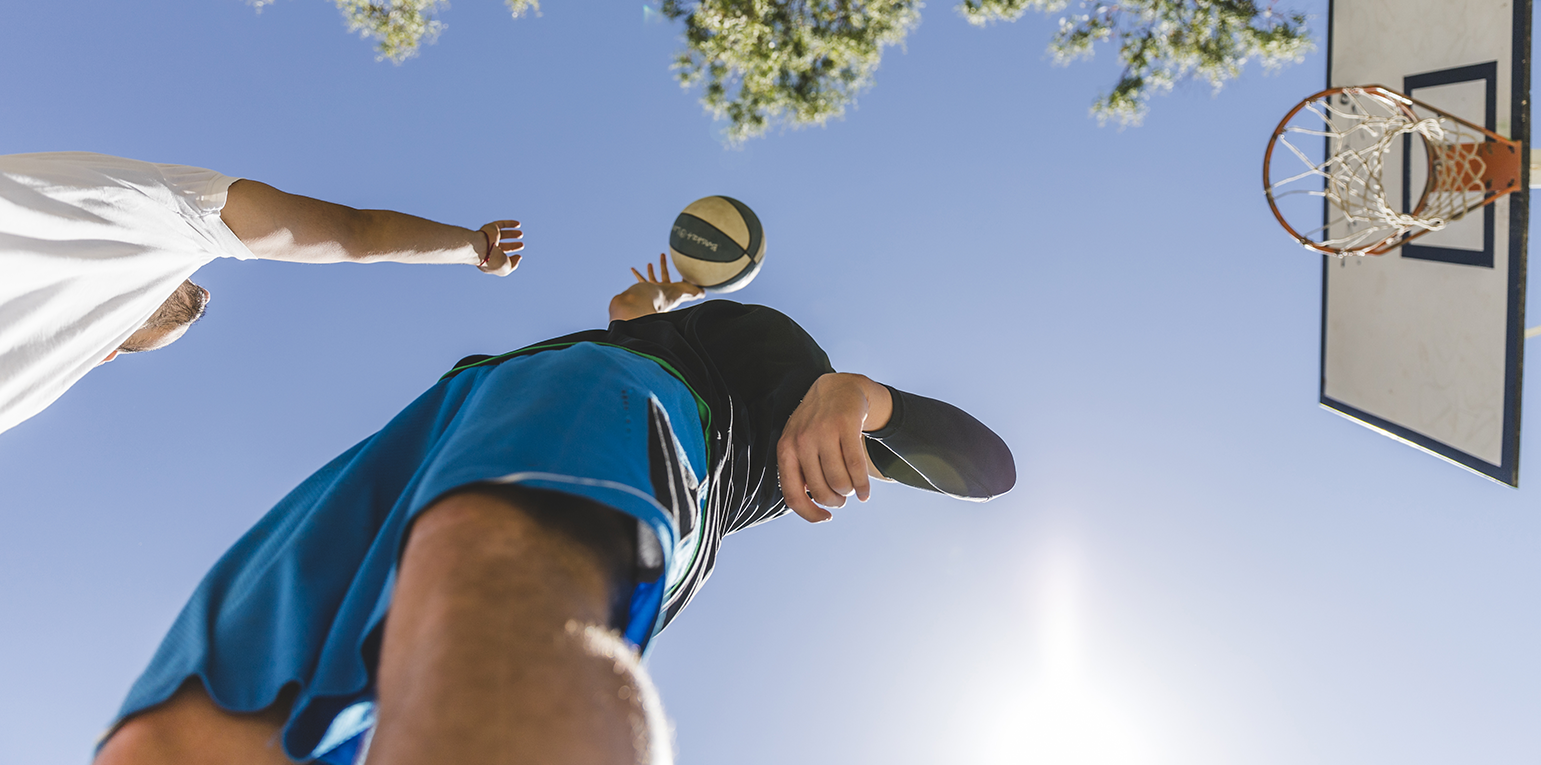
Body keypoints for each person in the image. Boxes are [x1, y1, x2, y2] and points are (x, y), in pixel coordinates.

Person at [94, 256, 1015, 765]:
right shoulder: (654, 326)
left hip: (625, 408)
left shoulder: (793, 423)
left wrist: (864, 396)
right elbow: (631, 313)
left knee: (487, 597)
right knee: (176, 735)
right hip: (456, 407)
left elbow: (987, 464)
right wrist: (649, 303)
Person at [0, 151, 523, 436]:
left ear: (104, 354)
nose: (206, 296)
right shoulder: (158, 221)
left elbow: (357, 235)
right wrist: (476, 249)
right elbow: (354, 234)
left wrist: (479, 249)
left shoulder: (158, 222)